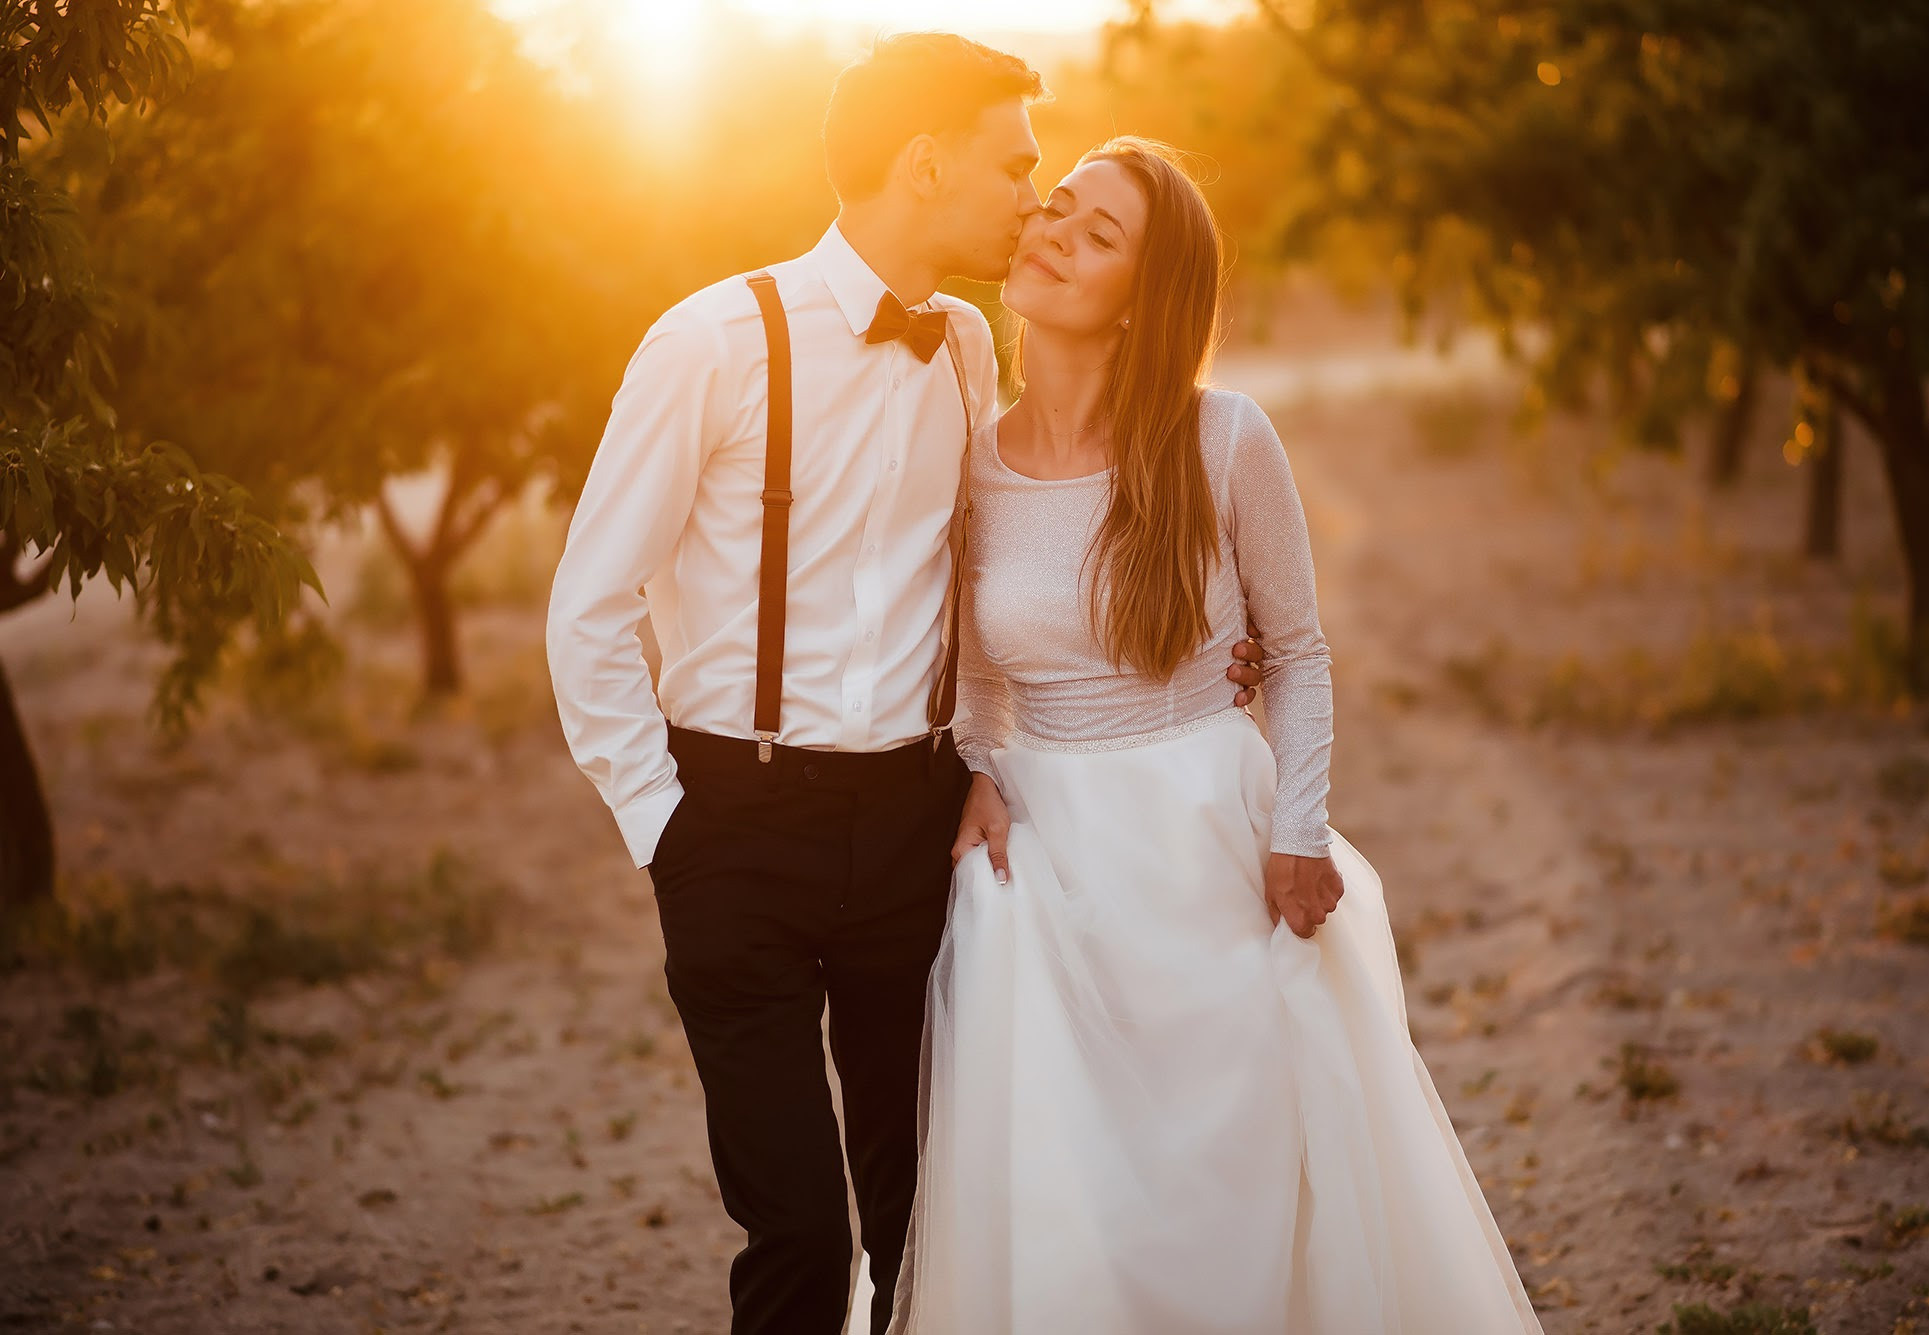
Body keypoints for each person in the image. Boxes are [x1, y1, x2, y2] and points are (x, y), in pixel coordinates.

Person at [544, 40, 1265, 1335]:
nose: (1033, 200)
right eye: (1015, 164)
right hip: (735, 829)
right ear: (926, 162)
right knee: (803, 1233)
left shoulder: (968, 351)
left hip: (914, 830)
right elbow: (587, 609)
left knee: (926, 1216)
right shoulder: (714, 340)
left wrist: (1220, 646)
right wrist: (665, 825)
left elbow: (1024, 563)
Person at [885, 138, 1546, 1334]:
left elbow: (1294, 653)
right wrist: (976, 772)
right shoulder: (971, 459)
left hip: (1205, 839)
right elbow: (977, 680)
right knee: (1068, 1191)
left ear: (1145, 301)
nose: (1051, 237)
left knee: (1228, 1177)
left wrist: (1297, 831)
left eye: (1098, 237)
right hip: (1041, 861)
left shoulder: (1223, 439)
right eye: (1057, 210)